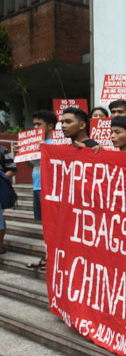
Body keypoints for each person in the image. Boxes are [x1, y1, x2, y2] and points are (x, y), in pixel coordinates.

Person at [25, 110, 56, 269]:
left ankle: (51, 258)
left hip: (49, 189)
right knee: (44, 225)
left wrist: (46, 151)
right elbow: (35, 166)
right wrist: (22, 156)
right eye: (34, 124)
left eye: (39, 124)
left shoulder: (55, 144)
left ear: (50, 126)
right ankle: (48, 256)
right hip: (37, 187)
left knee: (52, 226)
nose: (35, 127)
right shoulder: (33, 144)